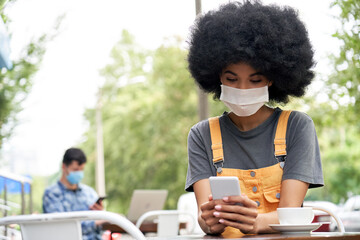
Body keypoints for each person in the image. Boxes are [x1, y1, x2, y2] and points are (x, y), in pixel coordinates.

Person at [185, 1, 324, 237]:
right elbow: (204, 218)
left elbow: (290, 213)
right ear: (218, 76)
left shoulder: (297, 127)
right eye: (231, 79)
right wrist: (209, 220)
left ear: (271, 78)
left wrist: (255, 222)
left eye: (255, 80)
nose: (242, 88)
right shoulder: (201, 135)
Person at [43, 148, 104, 240]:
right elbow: (61, 227)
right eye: (75, 169)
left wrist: (100, 213)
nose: (79, 173)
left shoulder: (89, 192)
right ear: (64, 167)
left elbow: (100, 225)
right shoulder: (51, 195)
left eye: (81, 169)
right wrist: (95, 222)